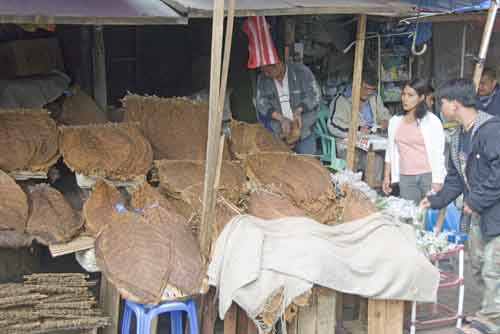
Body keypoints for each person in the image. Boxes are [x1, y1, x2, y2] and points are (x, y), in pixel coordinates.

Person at [421, 78, 500, 333]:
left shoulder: (491, 130)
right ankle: (490, 312)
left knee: (493, 267)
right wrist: (435, 200)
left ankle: (490, 321)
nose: (439, 107)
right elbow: (456, 178)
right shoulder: (457, 137)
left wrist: (476, 201)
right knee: (478, 265)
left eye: (442, 103)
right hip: (478, 215)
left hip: (495, 212)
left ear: (454, 104)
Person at [243, 16, 320, 155]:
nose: (265, 71)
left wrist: (298, 112)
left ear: (279, 62)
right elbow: (261, 104)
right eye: (262, 68)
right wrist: (281, 118)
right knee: (280, 168)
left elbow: (314, 96)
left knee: (307, 165)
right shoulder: (263, 79)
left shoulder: (301, 72)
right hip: (278, 131)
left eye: (269, 67)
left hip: (304, 130)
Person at [383, 79, 446, 204]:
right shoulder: (395, 121)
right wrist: (386, 177)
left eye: (410, 95)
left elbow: (439, 153)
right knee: (409, 215)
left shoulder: (432, 121)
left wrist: (438, 180)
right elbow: (390, 151)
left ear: (421, 97)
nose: (405, 99)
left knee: (428, 214)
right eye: (403, 94)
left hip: (428, 176)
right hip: (405, 176)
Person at [327, 71, 390, 138]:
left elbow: (384, 113)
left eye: (372, 89)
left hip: (371, 138)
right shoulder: (341, 100)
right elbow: (333, 125)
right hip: (350, 140)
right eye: (365, 88)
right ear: (356, 85)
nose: (369, 92)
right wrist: (358, 129)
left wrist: (385, 121)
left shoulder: (374, 97)